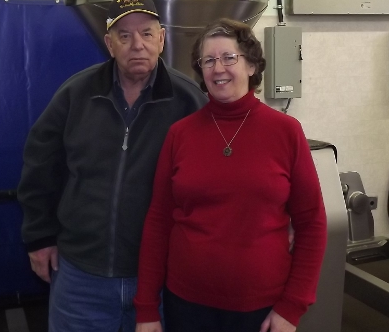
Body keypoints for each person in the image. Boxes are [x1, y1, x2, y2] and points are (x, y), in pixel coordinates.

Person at [17, 0, 207, 332]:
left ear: (161, 39)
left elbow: (214, 182)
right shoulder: (76, 94)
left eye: (147, 33)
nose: (137, 45)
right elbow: (39, 167)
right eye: (124, 35)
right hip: (80, 276)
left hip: (159, 277)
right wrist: (39, 237)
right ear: (109, 43)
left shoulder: (188, 101)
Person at [133, 18, 328, 332]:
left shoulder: (286, 132)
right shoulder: (180, 134)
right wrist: (146, 308)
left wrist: (292, 307)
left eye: (228, 57)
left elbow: (312, 223)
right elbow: (158, 221)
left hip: (261, 309)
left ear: (251, 66)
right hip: (186, 305)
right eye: (208, 60)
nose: (218, 68)